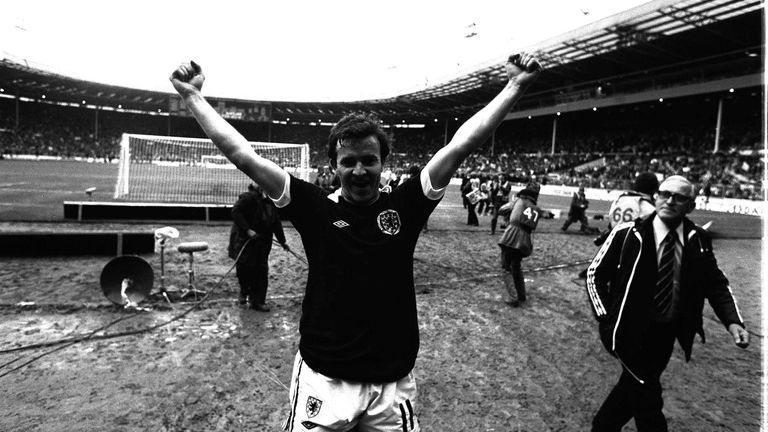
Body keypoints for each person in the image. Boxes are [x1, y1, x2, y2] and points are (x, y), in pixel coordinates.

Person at [170, 53, 541, 432]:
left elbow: (461, 145)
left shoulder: (406, 205)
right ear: (334, 166)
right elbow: (242, 156)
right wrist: (192, 97)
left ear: (383, 163)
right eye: (349, 162)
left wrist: (515, 86)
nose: (359, 171)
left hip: (392, 386)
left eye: (369, 160)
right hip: (325, 380)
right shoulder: (313, 207)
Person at [584, 175, 749, 432]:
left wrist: (732, 321)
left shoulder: (698, 239)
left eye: (679, 197)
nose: (670, 200)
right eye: (665, 194)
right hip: (628, 329)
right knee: (647, 400)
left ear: (690, 206)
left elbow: (715, 283)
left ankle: (602, 427)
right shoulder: (627, 233)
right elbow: (595, 274)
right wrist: (606, 316)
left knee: (632, 390)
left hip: (666, 334)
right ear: (656, 197)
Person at [228, 183, 289, 311]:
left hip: (263, 242)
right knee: (244, 268)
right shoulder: (249, 198)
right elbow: (235, 211)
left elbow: (276, 223)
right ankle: (244, 290)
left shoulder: (273, 202)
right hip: (245, 241)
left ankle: (258, 301)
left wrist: (283, 242)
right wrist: (247, 229)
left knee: (261, 270)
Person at [497, 182, 541, 307]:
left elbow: (502, 209)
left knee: (506, 267)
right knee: (516, 266)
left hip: (511, 236)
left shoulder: (519, 201)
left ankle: (513, 298)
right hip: (525, 240)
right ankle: (522, 295)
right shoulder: (535, 207)